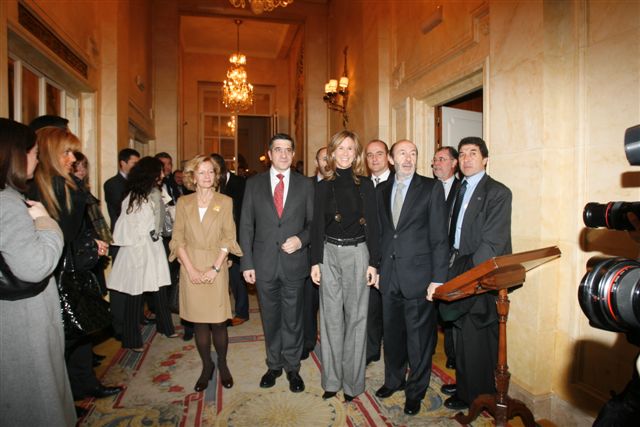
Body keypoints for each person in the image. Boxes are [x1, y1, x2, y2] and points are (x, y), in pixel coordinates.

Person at [30, 125, 122, 401]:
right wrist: (78, 193)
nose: (73, 158)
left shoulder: (60, 184)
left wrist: (91, 241)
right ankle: (63, 398)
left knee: (78, 333)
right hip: (55, 273)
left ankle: (84, 386)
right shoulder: (49, 186)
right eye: (67, 152)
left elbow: (71, 231)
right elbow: (64, 232)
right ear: (51, 153)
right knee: (64, 338)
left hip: (70, 266)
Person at [0, 118, 76, 426]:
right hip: (21, 319)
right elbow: (36, 265)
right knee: (36, 401)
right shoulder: (7, 203)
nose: (36, 159)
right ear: (17, 156)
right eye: (33, 153)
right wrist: (47, 223)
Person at [373, 139, 449, 416]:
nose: (408, 158)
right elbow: (381, 233)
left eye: (413, 153)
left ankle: (415, 391)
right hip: (389, 276)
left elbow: (440, 238)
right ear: (391, 159)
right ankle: (394, 380)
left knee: (419, 340)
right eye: (402, 153)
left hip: (419, 277)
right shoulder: (381, 190)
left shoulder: (430, 188)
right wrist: (376, 268)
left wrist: (438, 279)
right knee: (392, 335)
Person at [438, 136, 512, 411]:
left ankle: (475, 395)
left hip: (479, 271)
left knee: (476, 335)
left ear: (485, 159)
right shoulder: (459, 188)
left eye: (473, 153)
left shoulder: (498, 192)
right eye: (462, 154)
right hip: (456, 264)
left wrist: (467, 275)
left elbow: (492, 243)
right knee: (459, 332)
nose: (467, 159)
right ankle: (464, 384)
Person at [240, 133, 314, 393]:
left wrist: (300, 240)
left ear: (293, 154)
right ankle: (274, 365)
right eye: (278, 149)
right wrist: (247, 263)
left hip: (294, 263)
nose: (283, 154)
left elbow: (313, 224)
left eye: (288, 150)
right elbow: (246, 225)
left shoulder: (306, 184)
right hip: (263, 264)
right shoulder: (254, 184)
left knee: (293, 319)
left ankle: (293, 367)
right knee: (270, 318)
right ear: (269, 154)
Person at [310, 130, 379, 402]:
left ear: (356, 153)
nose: (346, 153)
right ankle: (331, 380)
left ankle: (352, 384)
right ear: (332, 152)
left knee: (357, 320)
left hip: (358, 253)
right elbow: (316, 226)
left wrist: (373, 263)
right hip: (329, 253)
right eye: (341, 148)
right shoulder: (322, 186)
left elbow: (374, 226)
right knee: (330, 319)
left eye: (351, 148)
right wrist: (315, 261)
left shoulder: (366, 185)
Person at [170, 155, 242, 392]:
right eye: (201, 172)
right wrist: (190, 269)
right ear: (192, 176)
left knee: (219, 322)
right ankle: (206, 366)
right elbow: (177, 238)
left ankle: (222, 363)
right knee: (199, 323)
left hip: (216, 265)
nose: (207, 176)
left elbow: (228, 238)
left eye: (211, 171)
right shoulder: (183, 202)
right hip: (190, 264)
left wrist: (215, 268)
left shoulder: (225, 201)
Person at [107, 157, 177, 351]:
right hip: (136, 251)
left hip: (153, 248)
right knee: (135, 294)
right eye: (159, 171)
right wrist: (147, 235)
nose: (163, 175)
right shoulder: (134, 196)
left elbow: (166, 215)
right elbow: (126, 227)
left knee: (160, 288)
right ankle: (131, 339)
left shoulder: (156, 192)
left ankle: (166, 327)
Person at [104, 148, 140, 339]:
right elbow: (123, 211)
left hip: (135, 241)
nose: (137, 167)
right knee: (119, 285)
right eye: (134, 163)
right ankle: (118, 326)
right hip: (121, 240)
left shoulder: (134, 183)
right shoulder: (113, 184)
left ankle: (132, 320)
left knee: (133, 282)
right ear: (123, 163)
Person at [211, 153, 248, 327]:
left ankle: (242, 312)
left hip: (236, 237)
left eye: (212, 170)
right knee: (219, 277)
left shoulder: (239, 183)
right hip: (214, 239)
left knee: (236, 278)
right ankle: (220, 311)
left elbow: (243, 214)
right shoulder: (210, 185)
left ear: (220, 169)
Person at [431, 145, 460, 369]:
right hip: (429, 258)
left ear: (454, 163)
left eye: (441, 159)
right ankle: (428, 347)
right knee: (429, 306)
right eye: (434, 160)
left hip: (454, 259)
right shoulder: (428, 187)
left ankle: (453, 354)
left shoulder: (462, 189)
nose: (436, 164)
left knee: (451, 307)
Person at [364, 139, 391, 366]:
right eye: (370, 155)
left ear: (388, 157)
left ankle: (394, 356)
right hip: (366, 257)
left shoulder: (399, 182)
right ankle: (371, 351)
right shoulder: (362, 184)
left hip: (392, 258)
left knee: (391, 313)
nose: (374, 158)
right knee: (370, 308)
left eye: (379, 153)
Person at [301, 147, 328, 360]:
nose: (327, 162)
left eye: (331, 157)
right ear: (316, 162)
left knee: (332, 305)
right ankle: (307, 340)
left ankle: (332, 345)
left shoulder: (342, 184)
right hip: (309, 253)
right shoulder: (305, 185)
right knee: (308, 303)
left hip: (335, 252)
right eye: (323, 158)